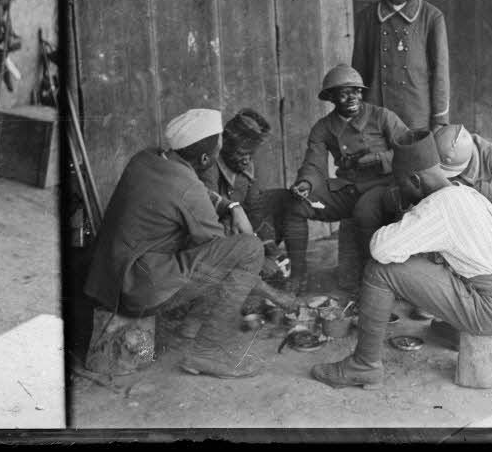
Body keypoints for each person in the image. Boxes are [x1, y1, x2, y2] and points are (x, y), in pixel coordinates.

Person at [310, 130, 492, 389]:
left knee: (381, 270)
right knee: (438, 259)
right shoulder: (465, 192)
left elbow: (380, 248)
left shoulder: (437, 207)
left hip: (491, 309)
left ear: (415, 179)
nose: (399, 189)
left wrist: (407, 215)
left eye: (401, 184)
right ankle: (454, 329)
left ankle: (364, 366)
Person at [84, 109, 265, 379]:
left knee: (204, 244)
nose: (219, 153)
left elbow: (196, 191)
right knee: (248, 251)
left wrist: (233, 205)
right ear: (205, 159)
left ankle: (190, 325)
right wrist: (267, 287)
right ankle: (208, 353)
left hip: (110, 279)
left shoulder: (147, 158)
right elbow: (219, 253)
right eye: (218, 148)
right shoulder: (187, 189)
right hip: (135, 290)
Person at [284, 64, 410, 295]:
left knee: (364, 212)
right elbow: (314, 163)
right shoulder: (323, 128)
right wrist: (306, 183)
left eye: (357, 91)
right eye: (344, 92)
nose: (352, 97)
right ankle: (298, 275)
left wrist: (376, 159)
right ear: (331, 97)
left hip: (383, 186)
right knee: (296, 205)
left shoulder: (382, 117)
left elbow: (409, 151)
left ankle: (371, 281)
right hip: (348, 188)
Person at [352, 0, 450, 133]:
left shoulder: (431, 16)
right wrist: (355, 113)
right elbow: (358, 70)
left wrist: (439, 118)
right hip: (376, 111)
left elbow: (440, 72)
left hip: (415, 114)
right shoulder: (367, 17)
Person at [201, 108, 294, 275]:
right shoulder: (211, 167)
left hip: (240, 228)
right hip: (216, 234)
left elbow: (254, 208)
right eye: (241, 154)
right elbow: (209, 218)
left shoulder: (247, 165)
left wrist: (271, 249)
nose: (246, 160)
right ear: (225, 148)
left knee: (284, 198)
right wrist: (256, 256)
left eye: (250, 154)